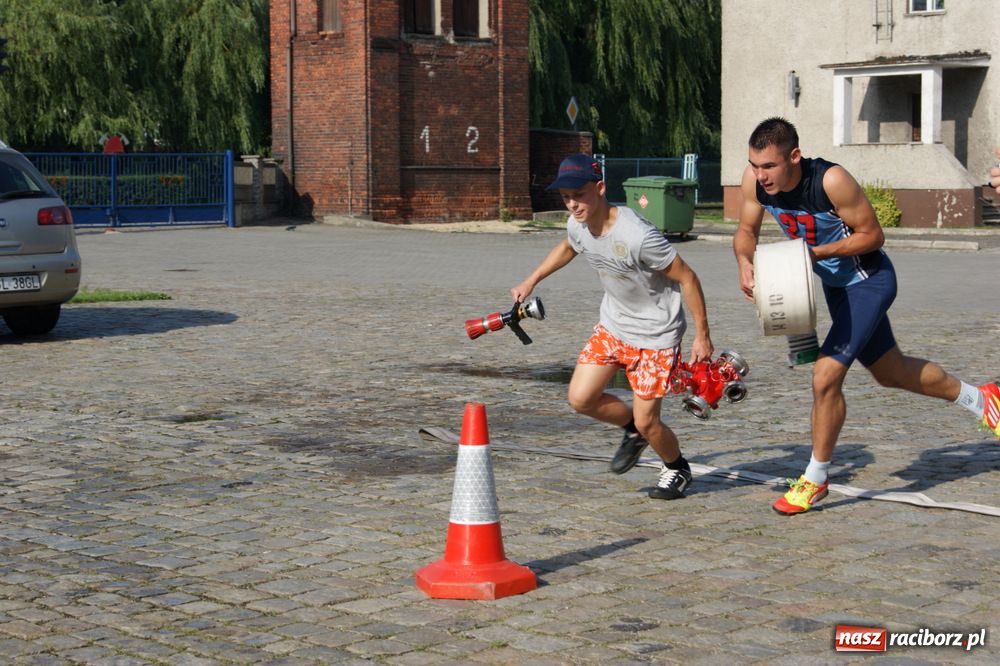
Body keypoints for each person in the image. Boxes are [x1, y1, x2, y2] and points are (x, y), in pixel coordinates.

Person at [733, 117, 1000, 515]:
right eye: (755, 165)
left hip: (869, 281)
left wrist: (814, 254)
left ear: (794, 156)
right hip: (837, 288)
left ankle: (815, 479)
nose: (761, 175)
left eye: (769, 166)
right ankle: (984, 399)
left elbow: (874, 236)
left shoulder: (831, 181)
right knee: (891, 372)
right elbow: (745, 230)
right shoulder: (753, 181)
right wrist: (743, 261)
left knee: (825, 376)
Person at [511, 153, 713, 500]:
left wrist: (702, 336)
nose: (572, 204)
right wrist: (532, 279)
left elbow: (688, 278)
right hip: (614, 326)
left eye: (579, 195)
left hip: (656, 336)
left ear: (601, 188)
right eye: (566, 197)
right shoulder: (578, 224)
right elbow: (569, 246)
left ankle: (677, 466)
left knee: (649, 421)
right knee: (581, 398)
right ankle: (633, 430)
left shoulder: (637, 236)